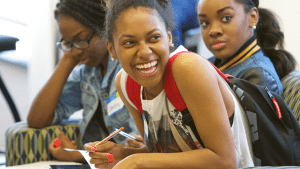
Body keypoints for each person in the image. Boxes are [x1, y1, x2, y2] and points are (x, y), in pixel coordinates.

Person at [84, 0, 254, 168]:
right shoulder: (127, 84)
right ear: (112, 49)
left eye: (154, 37)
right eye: (129, 42)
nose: (145, 52)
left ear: (169, 37)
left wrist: (137, 160)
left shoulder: (188, 68)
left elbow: (224, 160)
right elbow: (160, 153)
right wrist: (124, 154)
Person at [26, 0, 141, 163]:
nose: (75, 50)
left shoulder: (130, 69)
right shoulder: (87, 73)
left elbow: (140, 147)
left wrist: (77, 155)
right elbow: (37, 119)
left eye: (80, 39)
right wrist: (67, 58)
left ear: (105, 28)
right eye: (68, 42)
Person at [197, 0, 296, 95]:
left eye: (226, 18)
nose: (213, 31)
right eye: (204, 23)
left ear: (252, 17)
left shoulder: (258, 76)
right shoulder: (205, 64)